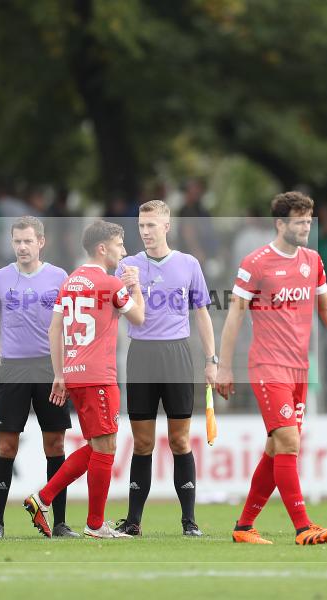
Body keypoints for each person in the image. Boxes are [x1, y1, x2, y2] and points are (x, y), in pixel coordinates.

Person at [216, 191, 327, 546]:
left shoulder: (312, 261)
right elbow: (236, 312)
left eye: (308, 220)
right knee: (288, 442)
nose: (305, 227)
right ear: (280, 223)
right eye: (299, 221)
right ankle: (303, 527)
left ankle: (244, 526)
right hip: (268, 366)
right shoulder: (255, 263)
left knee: (275, 450)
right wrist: (224, 367)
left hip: (300, 368)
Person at [23, 220, 145, 539]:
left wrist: (60, 373)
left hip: (75, 373)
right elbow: (140, 318)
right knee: (106, 448)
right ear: (102, 248)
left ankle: (43, 498)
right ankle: (94, 525)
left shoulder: (71, 280)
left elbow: (54, 329)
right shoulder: (110, 283)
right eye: (119, 245)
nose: (124, 251)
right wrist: (135, 286)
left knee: (97, 446)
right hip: (99, 375)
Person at [0, 216, 79, 540]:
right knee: (6, 446)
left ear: (41, 242)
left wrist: (68, 370)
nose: (23, 247)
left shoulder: (59, 277)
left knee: (55, 444)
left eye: (28, 241)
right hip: (13, 369)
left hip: (49, 368)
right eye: (17, 241)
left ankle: (60, 522)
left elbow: (72, 327)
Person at [113, 200, 216, 537]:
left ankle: (189, 521)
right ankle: (133, 522)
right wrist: (130, 287)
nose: (145, 232)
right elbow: (118, 311)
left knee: (179, 439)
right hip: (141, 354)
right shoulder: (127, 266)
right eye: (141, 226)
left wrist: (211, 360)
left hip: (176, 355)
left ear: (166, 225)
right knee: (142, 443)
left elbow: (201, 312)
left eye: (151, 225)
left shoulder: (188, 264)